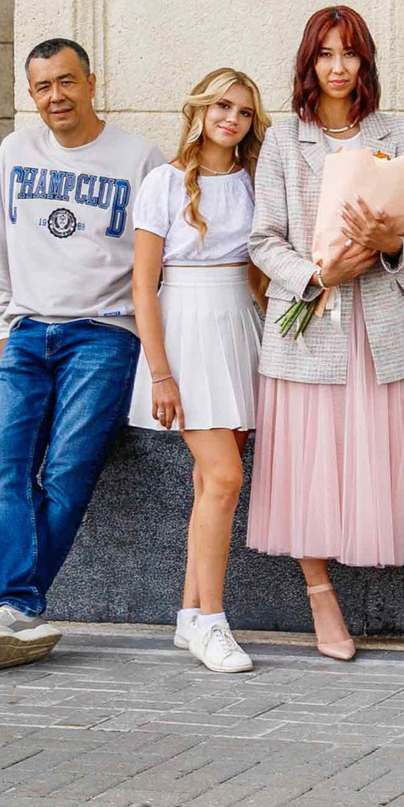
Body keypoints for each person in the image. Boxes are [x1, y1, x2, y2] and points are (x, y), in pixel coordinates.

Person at [247, 4, 404, 662]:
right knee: (305, 470)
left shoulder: (400, 133)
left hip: (385, 329)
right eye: (326, 54)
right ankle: (321, 598)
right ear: (309, 64)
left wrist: (389, 241)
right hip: (309, 330)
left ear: (366, 61)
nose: (338, 67)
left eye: (350, 53)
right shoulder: (283, 141)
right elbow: (262, 239)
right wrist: (318, 274)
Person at [0, 39, 165, 670]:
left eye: (67, 82)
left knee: (68, 476)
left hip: (103, 334)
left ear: (91, 82)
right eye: (43, 87)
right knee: (6, 471)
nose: (57, 96)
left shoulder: (140, 158)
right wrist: (2, 324)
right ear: (31, 95)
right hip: (26, 332)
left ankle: (1, 608)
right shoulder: (15, 151)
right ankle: (12, 608)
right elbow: (2, 245)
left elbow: (154, 265)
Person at [129, 67, 268, 677]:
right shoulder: (163, 183)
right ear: (199, 111)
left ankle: (189, 617)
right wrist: (160, 373)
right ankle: (214, 621)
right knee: (225, 477)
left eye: (241, 110)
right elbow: (142, 284)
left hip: (241, 325)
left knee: (211, 485)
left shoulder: (256, 182)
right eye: (220, 106)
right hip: (185, 330)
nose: (229, 118)